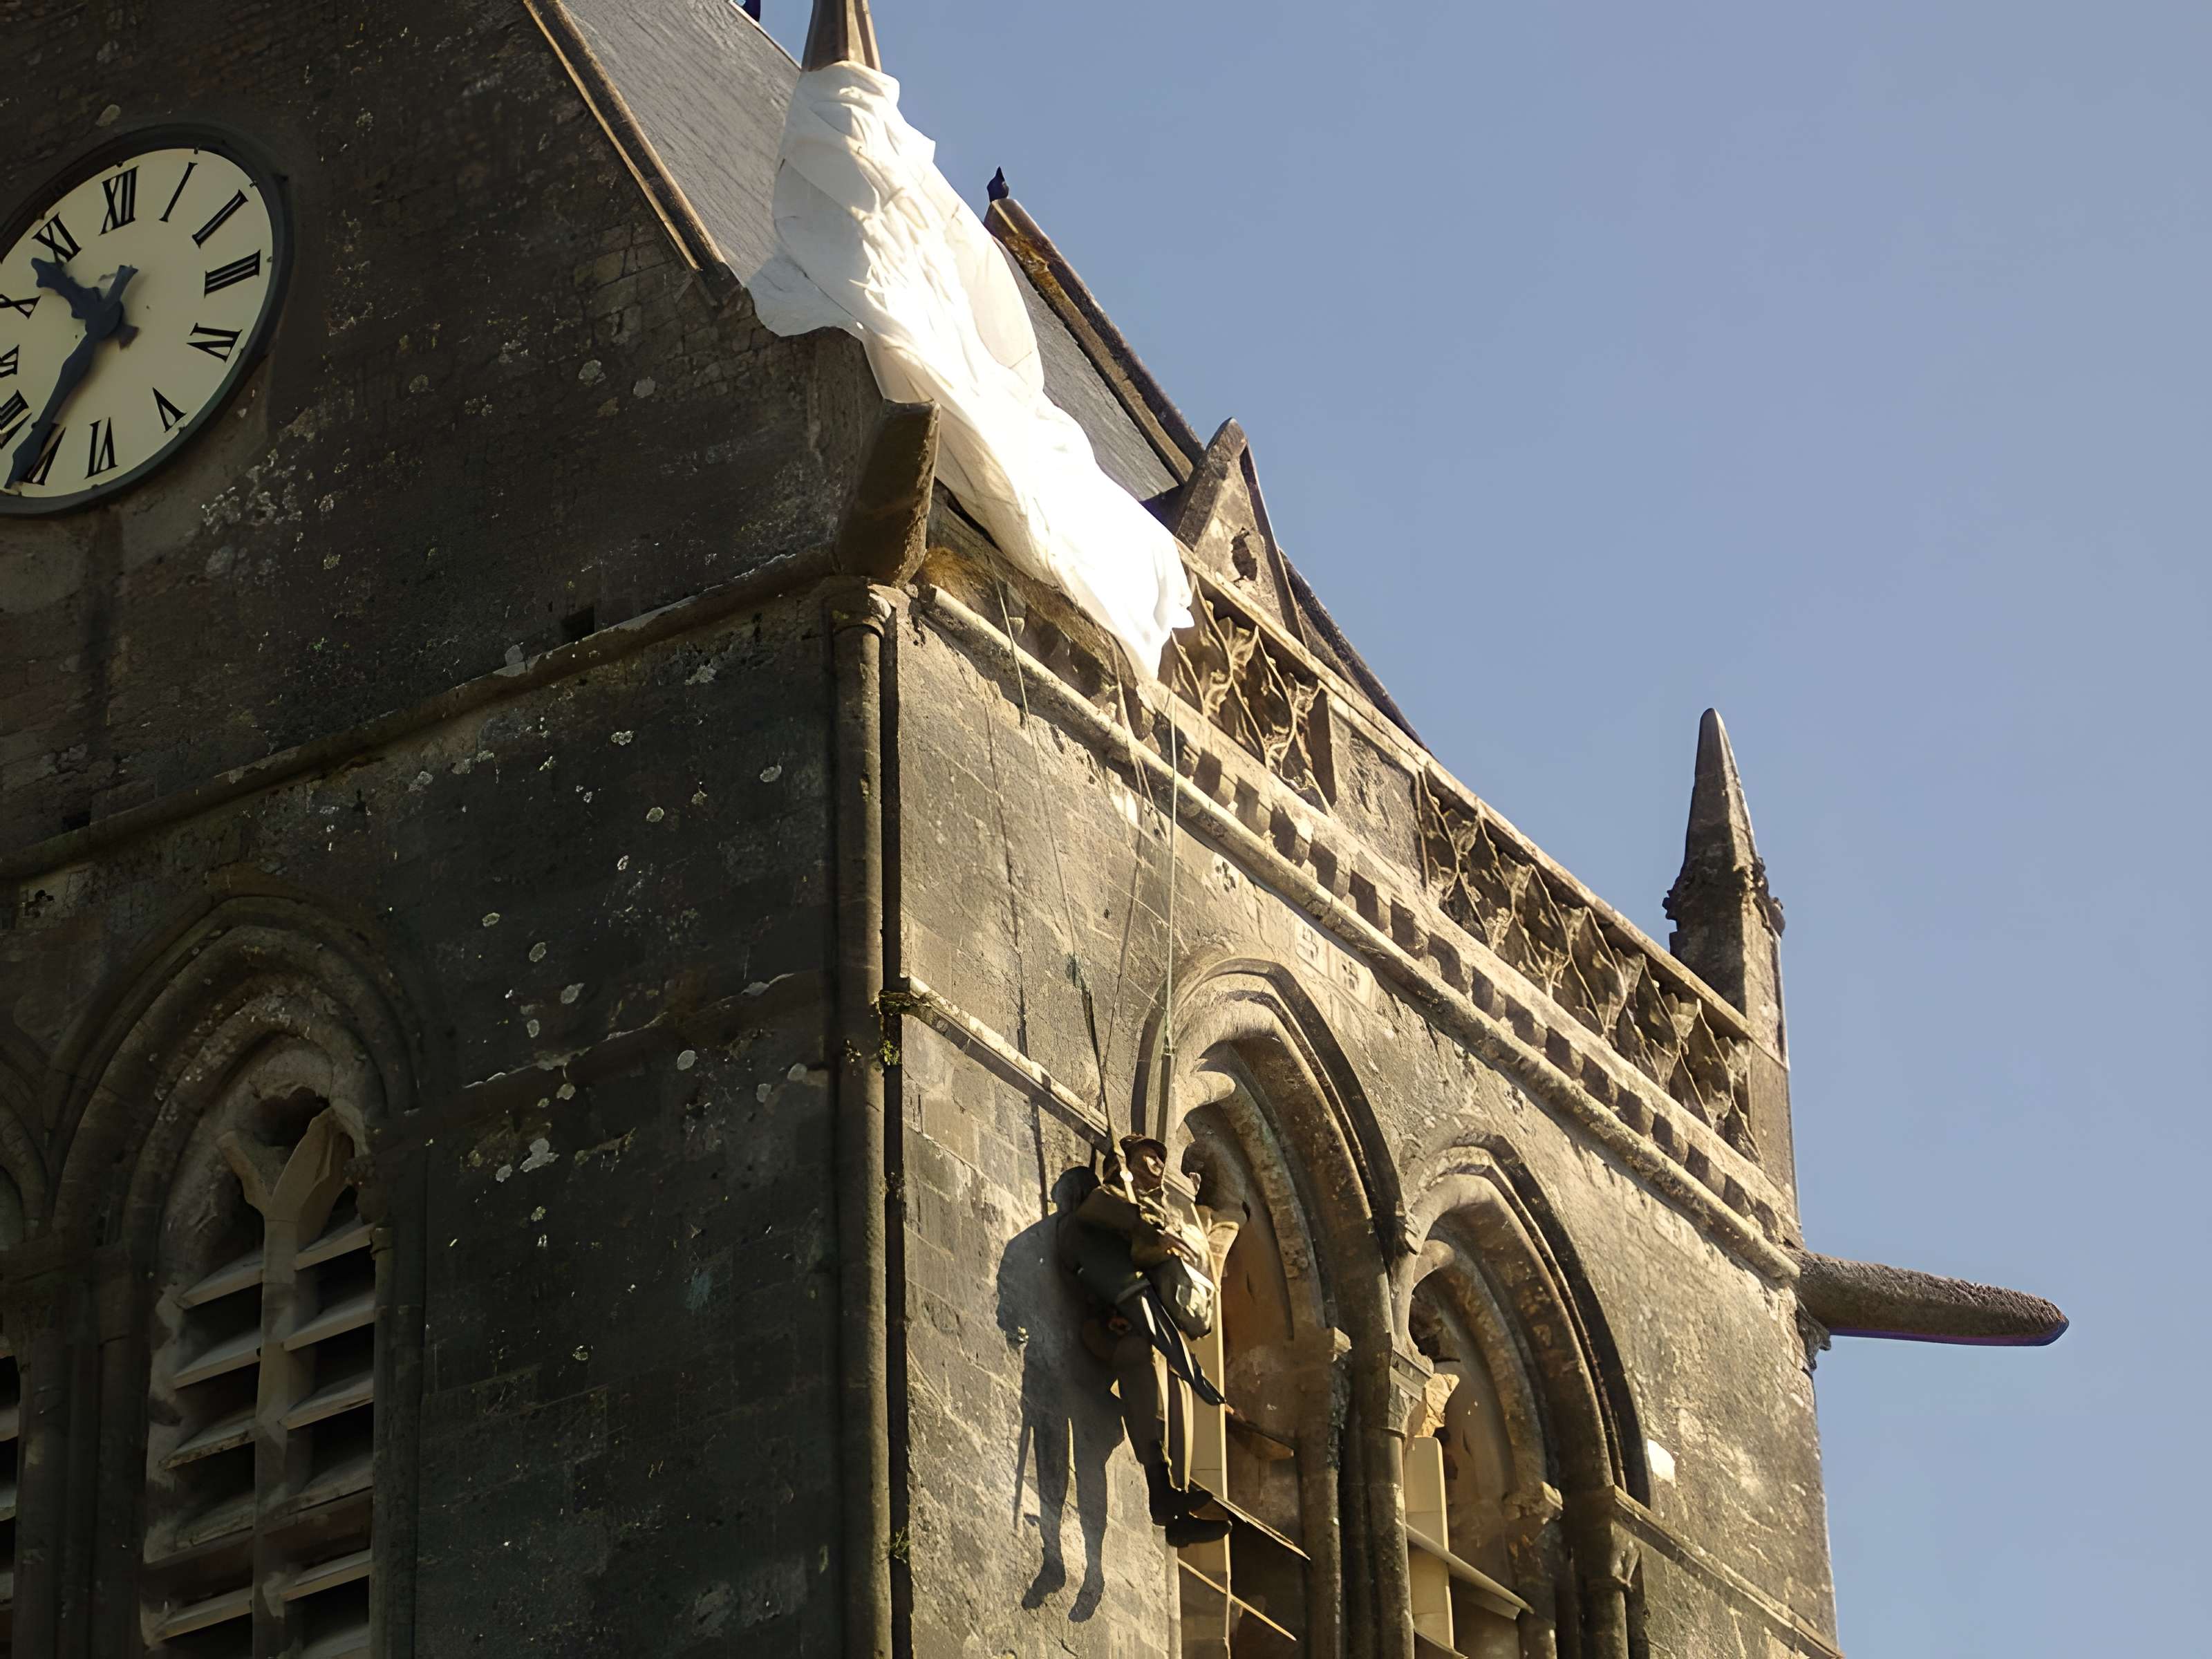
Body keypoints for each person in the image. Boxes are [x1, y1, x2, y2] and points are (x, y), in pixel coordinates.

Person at [1060, 1135, 1230, 1547]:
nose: (1157, 1164)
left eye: (1159, 1159)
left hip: (1135, 1325)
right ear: (1128, 1163)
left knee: (1156, 1392)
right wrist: (1144, 1226)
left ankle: (1167, 1499)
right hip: (1105, 1323)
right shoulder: (1111, 1201)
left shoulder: (1157, 1214)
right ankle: (1161, 1495)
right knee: (1141, 1361)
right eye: (1148, 1157)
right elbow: (1098, 1216)